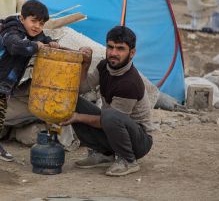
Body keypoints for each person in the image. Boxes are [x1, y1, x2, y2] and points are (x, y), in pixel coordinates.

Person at [0, 0, 60, 166]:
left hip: (5, 86)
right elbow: (16, 47)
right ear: (22, 18)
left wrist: (50, 42)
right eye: (33, 21)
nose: (37, 26)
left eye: (41, 23)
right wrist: (37, 46)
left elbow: (42, 39)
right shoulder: (11, 31)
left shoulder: (34, 35)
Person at [61, 26, 153, 176]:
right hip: (114, 127)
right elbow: (82, 88)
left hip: (139, 141)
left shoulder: (129, 83)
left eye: (120, 49)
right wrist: (86, 64)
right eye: (110, 47)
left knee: (109, 115)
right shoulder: (105, 66)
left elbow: (109, 120)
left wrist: (77, 117)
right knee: (72, 100)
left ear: (132, 53)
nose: (113, 53)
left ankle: (128, 160)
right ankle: (105, 154)